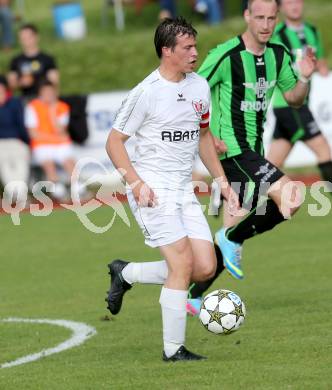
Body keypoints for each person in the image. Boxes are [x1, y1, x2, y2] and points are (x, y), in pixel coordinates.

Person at [105, 17, 238, 362]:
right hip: (151, 189)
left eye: (195, 46)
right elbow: (114, 142)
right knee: (180, 263)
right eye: (187, 48)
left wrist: (223, 183)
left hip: (183, 189)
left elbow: (204, 138)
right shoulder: (146, 92)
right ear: (167, 51)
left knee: (206, 266)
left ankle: (127, 272)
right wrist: (136, 183)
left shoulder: (199, 87)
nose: (195, 53)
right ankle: (173, 349)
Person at [186, 0, 316, 314]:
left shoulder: (279, 54)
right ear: (247, 16)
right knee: (291, 197)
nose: (266, 24)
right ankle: (230, 237)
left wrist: (305, 78)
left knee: (228, 239)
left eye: (272, 18)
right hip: (230, 151)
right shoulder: (226, 55)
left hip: (252, 152)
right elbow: (189, 93)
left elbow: (294, 99)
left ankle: (188, 294)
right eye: (259, 17)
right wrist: (209, 135)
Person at [267, 0, 332, 190]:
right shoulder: (277, 35)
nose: (294, 5)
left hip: (298, 104)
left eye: (296, 0)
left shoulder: (313, 30)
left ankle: (237, 195)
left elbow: (318, 60)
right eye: (288, 2)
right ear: (281, 8)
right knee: (324, 150)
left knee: (271, 164)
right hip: (290, 104)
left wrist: (320, 65)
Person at [24, 80, 78, 200]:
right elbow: (33, 134)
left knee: (69, 163)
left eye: (50, 92)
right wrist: (54, 138)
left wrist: (52, 112)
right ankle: (60, 193)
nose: (48, 95)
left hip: (61, 144)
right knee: (49, 165)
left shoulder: (62, 107)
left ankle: (78, 190)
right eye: (45, 92)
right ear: (40, 93)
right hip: (42, 145)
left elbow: (60, 130)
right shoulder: (32, 107)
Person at [0, 75, 30, 207]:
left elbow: (21, 124)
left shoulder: (14, 102)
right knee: (5, 167)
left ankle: (21, 197)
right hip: (1, 143)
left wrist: (26, 141)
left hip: (16, 140)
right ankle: (13, 194)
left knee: (21, 167)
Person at [8, 23, 59, 99]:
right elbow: (10, 84)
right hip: (25, 99)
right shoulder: (16, 60)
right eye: (23, 38)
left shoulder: (47, 59)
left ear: (36, 37)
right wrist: (21, 83)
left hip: (44, 99)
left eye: (29, 37)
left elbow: (54, 82)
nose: (26, 41)